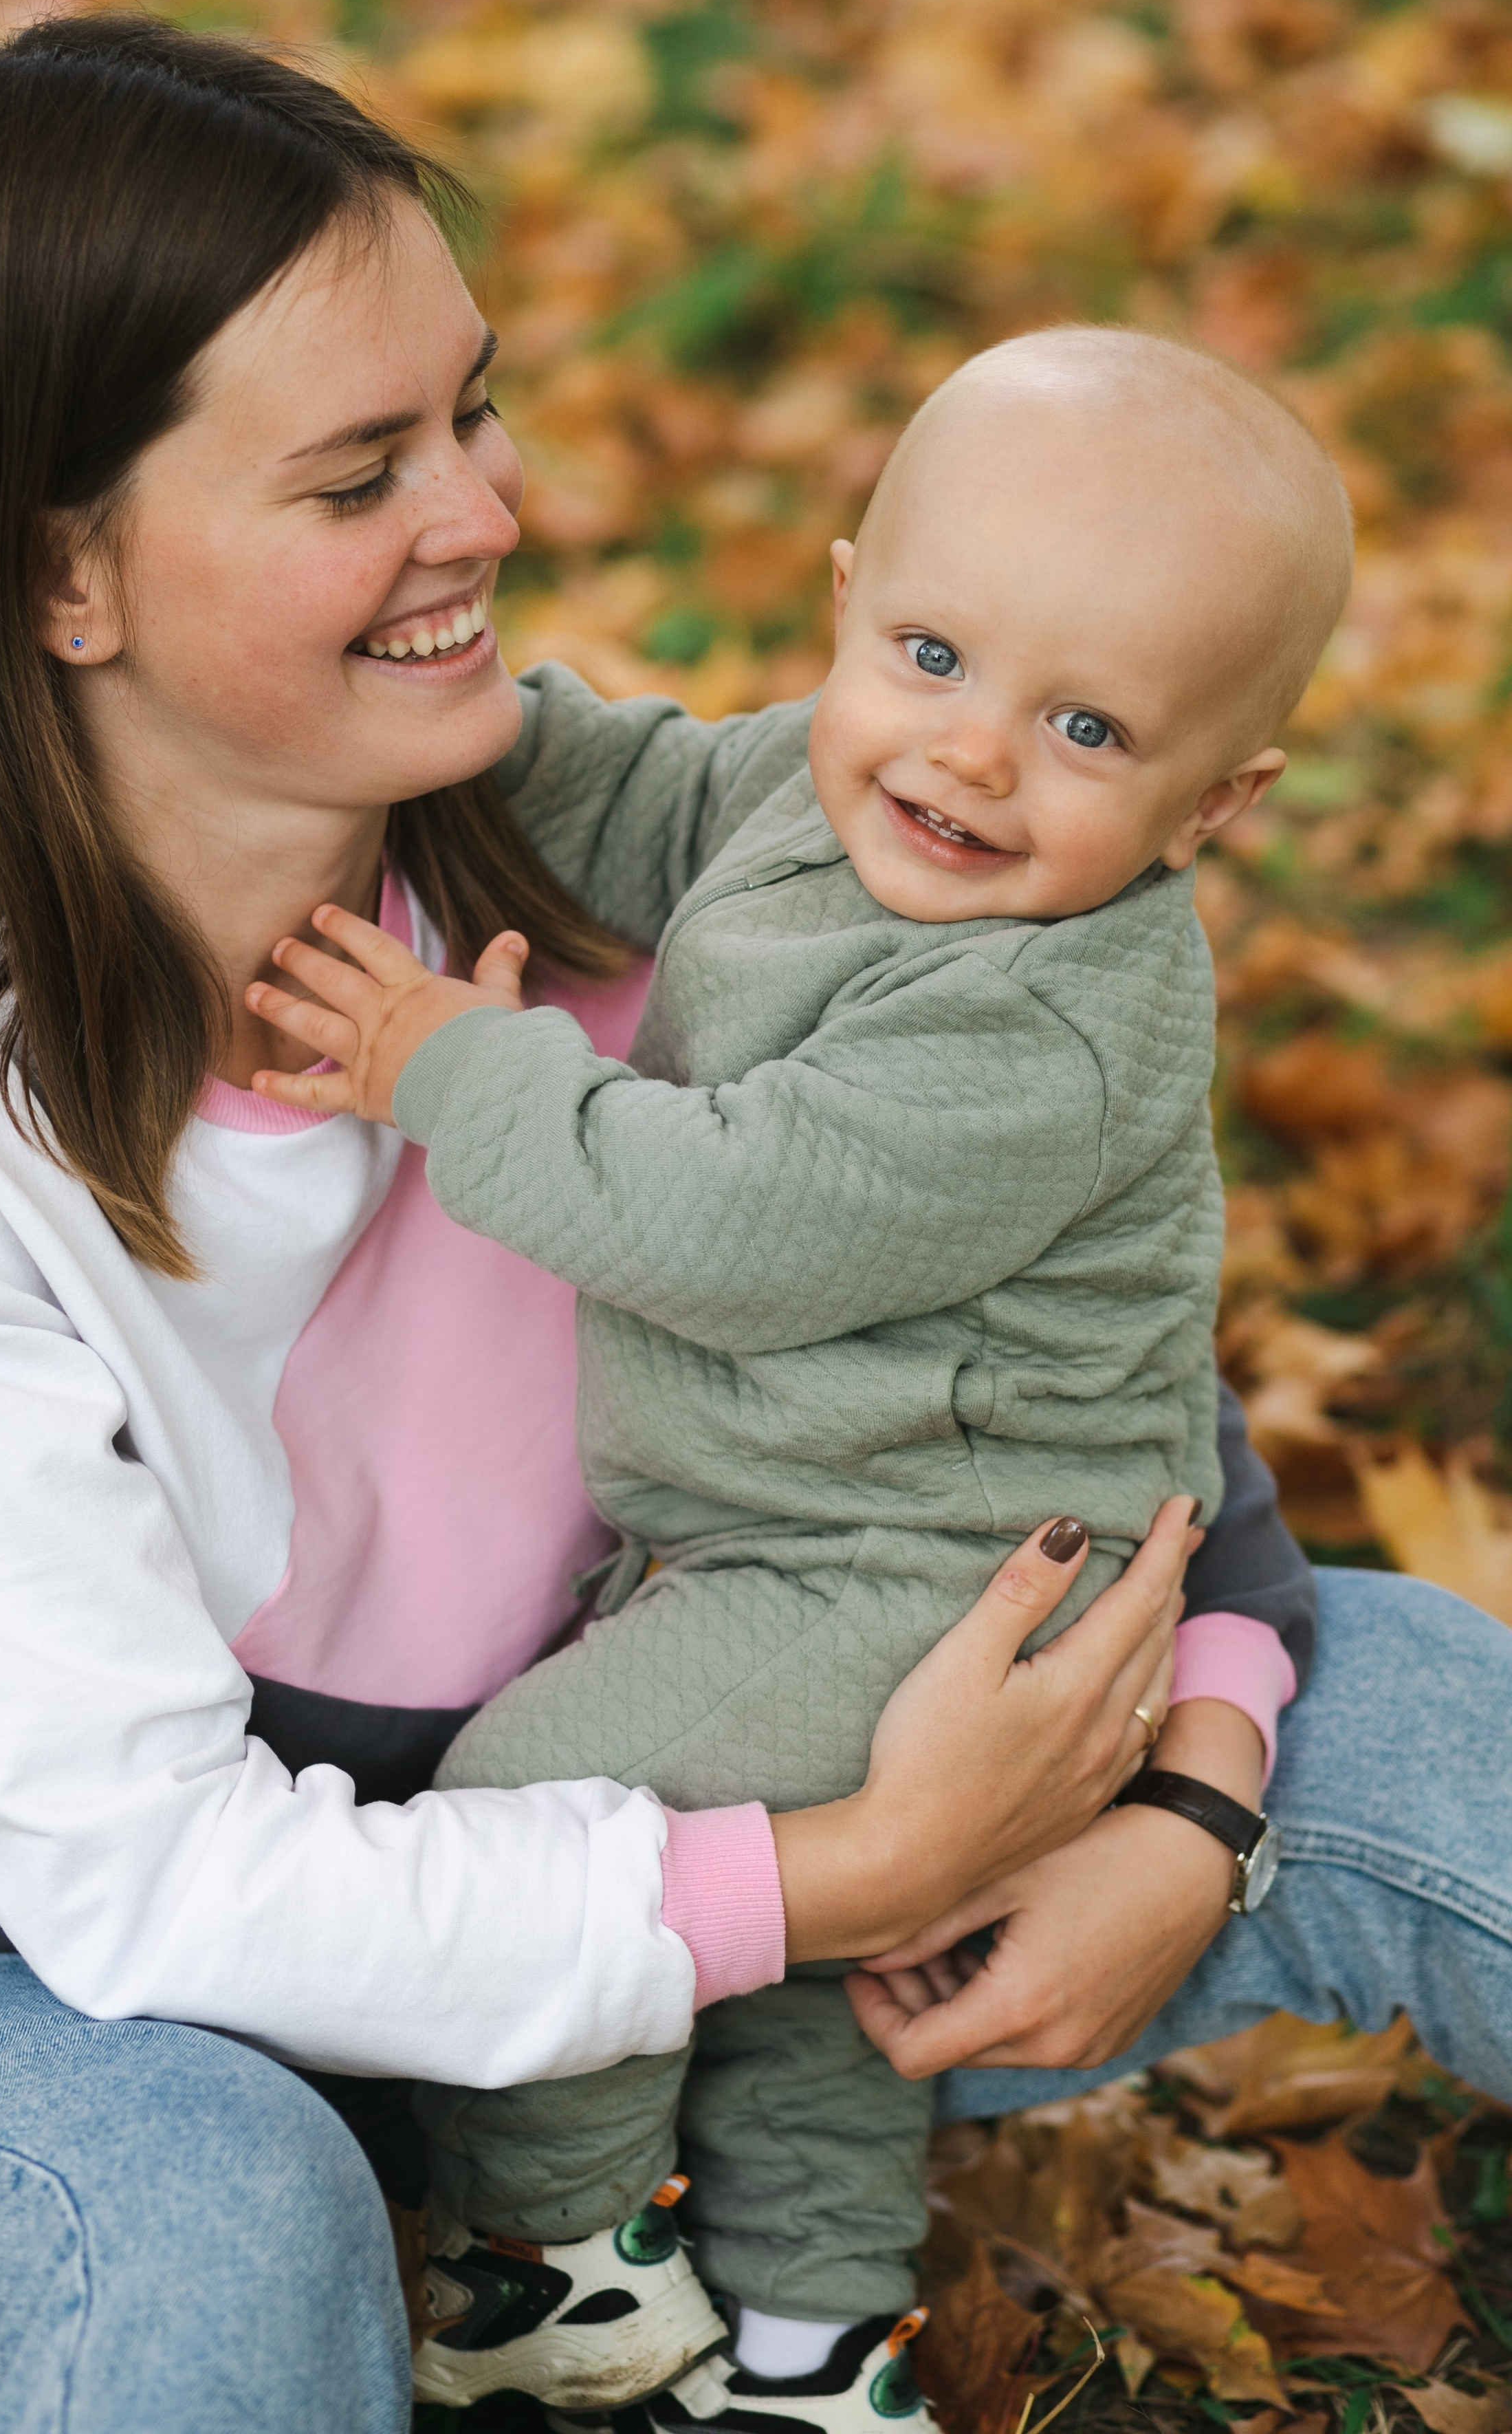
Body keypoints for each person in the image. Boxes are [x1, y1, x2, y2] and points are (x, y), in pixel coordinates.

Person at [0, 15, 1506, 2434]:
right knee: (198, 2194)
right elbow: (156, 1891)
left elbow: (1064, 1354)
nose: (488, 508)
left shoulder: (627, 850)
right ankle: (491, 2274)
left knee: (1418, 1727)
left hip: (666, 1859)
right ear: (64, 575)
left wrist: (1191, 1796)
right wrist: (840, 1876)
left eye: (470, 410)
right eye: (364, 472)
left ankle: (648, 2267)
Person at [237, 329, 1352, 2428]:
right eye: (932, 654)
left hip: (928, 1581)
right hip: (823, 1545)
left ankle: (548, 2265)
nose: (975, 757)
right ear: (846, 607)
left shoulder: (1048, 1020)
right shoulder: (811, 785)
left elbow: (738, 1223)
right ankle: (816, 2345)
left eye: (1089, 726)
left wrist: (446, 1067)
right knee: (814, 1973)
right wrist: (429, 705)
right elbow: (621, 785)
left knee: (541, 1811)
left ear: (1216, 805)